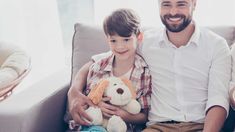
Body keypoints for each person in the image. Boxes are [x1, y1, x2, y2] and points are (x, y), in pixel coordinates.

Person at [68, 0, 231, 131]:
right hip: (158, 127)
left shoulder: (216, 45)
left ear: (194, 3)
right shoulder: (145, 42)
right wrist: (74, 92)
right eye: (166, 4)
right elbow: (96, 61)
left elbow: (218, 99)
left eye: (181, 4)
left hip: (200, 126)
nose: (173, 12)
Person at [65, 8, 152, 131]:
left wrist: (123, 115)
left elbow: (145, 116)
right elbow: (88, 98)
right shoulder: (99, 66)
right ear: (107, 39)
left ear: (139, 37)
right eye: (113, 41)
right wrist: (97, 105)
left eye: (126, 39)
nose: (120, 46)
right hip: (94, 125)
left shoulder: (144, 72)